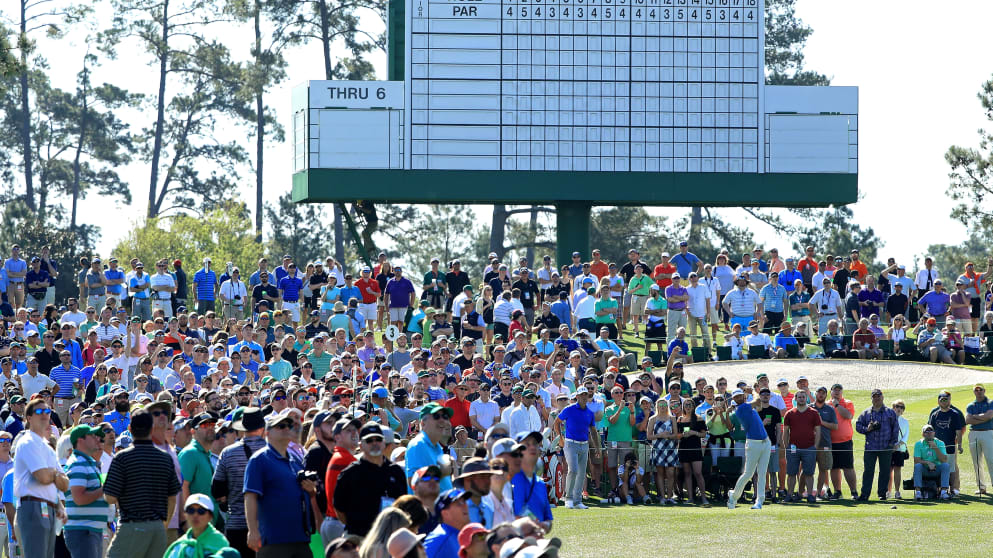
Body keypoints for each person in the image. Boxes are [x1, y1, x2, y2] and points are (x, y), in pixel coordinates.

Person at [104, 408, 181, 558]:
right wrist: (163, 524)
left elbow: (109, 497)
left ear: (130, 429)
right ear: (152, 429)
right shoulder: (165, 458)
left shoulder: (122, 458)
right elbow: (172, 498)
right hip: (158, 528)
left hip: (132, 526)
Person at [244, 409, 317, 558]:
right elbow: (250, 496)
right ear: (267, 433)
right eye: (280, 426)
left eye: (288, 426)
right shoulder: (259, 460)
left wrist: (311, 491)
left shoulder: (296, 460)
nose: (286, 429)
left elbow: (306, 495)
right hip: (274, 540)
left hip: (300, 539)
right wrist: (253, 530)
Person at [13, 397, 69, 557]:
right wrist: (54, 475)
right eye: (39, 411)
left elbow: (65, 484)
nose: (45, 414)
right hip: (33, 507)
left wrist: (51, 474)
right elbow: (44, 478)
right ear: (28, 418)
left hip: (49, 508)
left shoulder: (48, 448)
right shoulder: (27, 442)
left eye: (47, 411)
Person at [333, 423, 406, 537]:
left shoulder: (396, 471)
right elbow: (339, 509)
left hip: (389, 537)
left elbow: (403, 503)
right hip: (359, 537)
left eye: (378, 439)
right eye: (369, 440)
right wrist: (357, 528)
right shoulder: (350, 473)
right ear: (361, 445)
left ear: (384, 443)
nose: (374, 443)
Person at [212, 407, 267, 557]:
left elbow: (216, 490)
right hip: (268, 526)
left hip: (236, 525)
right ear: (263, 428)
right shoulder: (272, 451)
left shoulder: (228, 453)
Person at [64, 424, 110, 558]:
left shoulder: (86, 462)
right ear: (80, 440)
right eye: (92, 436)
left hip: (89, 530)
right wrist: (105, 488)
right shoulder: (78, 463)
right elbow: (79, 498)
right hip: (83, 531)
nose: (97, 439)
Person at [553, 386, 600, 509]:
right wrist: (560, 439)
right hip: (570, 443)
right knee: (573, 470)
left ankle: (578, 501)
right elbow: (557, 423)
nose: (584, 397)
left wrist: (597, 448)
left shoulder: (590, 412)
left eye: (586, 395)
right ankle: (569, 498)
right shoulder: (569, 409)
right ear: (577, 397)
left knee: (581, 472)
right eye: (582, 395)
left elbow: (593, 431)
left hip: (584, 444)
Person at [727, 388, 770, 509]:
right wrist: (753, 391)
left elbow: (759, 407)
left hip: (765, 442)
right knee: (748, 473)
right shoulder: (741, 409)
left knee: (762, 473)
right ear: (734, 400)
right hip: (753, 443)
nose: (739, 397)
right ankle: (734, 496)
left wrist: (752, 393)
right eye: (736, 397)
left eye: (741, 395)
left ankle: (759, 501)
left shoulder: (747, 407)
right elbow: (757, 400)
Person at [854, 389, 900, 501]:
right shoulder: (866, 413)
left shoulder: (890, 412)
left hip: (885, 447)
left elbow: (895, 428)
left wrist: (892, 444)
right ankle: (865, 494)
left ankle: (882, 494)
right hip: (870, 447)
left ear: (882, 397)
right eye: (874, 396)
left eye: (878, 396)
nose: (877, 398)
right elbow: (858, 426)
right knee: (868, 471)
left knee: (885, 471)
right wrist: (867, 429)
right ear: (872, 398)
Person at [163, 494, 231, 558]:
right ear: (185, 515)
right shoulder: (180, 544)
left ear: (210, 516)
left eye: (201, 511)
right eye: (191, 510)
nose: (195, 515)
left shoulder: (219, 541)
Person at [782, 390, 821, 503]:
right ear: (795, 399)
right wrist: (787, 446)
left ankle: (809, 495)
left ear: (806, 398)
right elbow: (786, 432)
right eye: (799, 397)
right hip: (793, 448)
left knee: (809, 473)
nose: (801, 399)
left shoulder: (813, 413)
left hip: (809, 448)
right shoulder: (789, 413)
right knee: (791, 473)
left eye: (803, 397)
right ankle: (789, 495)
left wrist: (815, 446)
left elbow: (818, 431)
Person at [928, 390, 966, 496]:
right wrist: (929, 444)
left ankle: (953, 489)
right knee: (937, 468)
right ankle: (939, 489)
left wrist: (959, 445)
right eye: (942, 399)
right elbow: (929, 430)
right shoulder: (934, 414)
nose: (944, 402)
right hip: (936, 447)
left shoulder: (954, 414)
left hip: (949, 446)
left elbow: (958, 431)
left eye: (946, 399)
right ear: (938, 401)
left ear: (949, 400)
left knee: (951, 469)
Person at [424, 488, 471, 558]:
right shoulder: (439, 538)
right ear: (445, 513)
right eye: (459, 503)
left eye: (464, 501)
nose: (465, 506)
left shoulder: (462, 535)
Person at [965, 384, 993, 494]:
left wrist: (975, 417)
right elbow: (967, 420)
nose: (979, 392)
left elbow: (989, 416)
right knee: (977, 461)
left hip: (988, 433)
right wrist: (983, 418)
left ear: (984, 391)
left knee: (991, 460)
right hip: (974, 434)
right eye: (976, 390)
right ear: (974, 392)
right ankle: (981, 487)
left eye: (980, 390)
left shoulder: (990, 403)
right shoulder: (971, 405)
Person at [913, 425, 951, 500]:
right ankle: (918, 493)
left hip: (937, 469)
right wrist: (928, 463)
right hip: (925, 469)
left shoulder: (940, 443)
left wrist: (935, 448)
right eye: (927, 432)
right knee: (917, 466)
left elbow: (944, 460)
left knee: (945, 465)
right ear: (923, 434)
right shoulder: (918, 444)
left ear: (934, 433)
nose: (929, 433)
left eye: (931, 431)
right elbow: (916, 460)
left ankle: (943, 492)